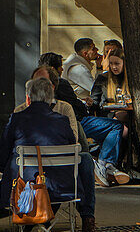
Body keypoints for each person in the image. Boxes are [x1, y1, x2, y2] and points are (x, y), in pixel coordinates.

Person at [1, 76, 104, 232]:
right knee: (84, 158)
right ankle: (87, 221)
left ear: (29, 97)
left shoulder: (16, 119)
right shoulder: (61, 121)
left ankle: (37, 226)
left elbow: (2, 158)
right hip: (63, 188)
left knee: (83, 159)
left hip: (26, 191)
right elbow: (72, 148)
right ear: (51, 98)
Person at [40, 51, 129, 186]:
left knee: (109, 131)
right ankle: (105, 164)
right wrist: (84, 107)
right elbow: (74, 105)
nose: (62, 69)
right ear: (53, 69)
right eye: (60, 67)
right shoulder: (60, 83)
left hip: (51, 128)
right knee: (115, 126)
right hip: (76, 122)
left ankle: (105, 165)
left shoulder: (35, 85)